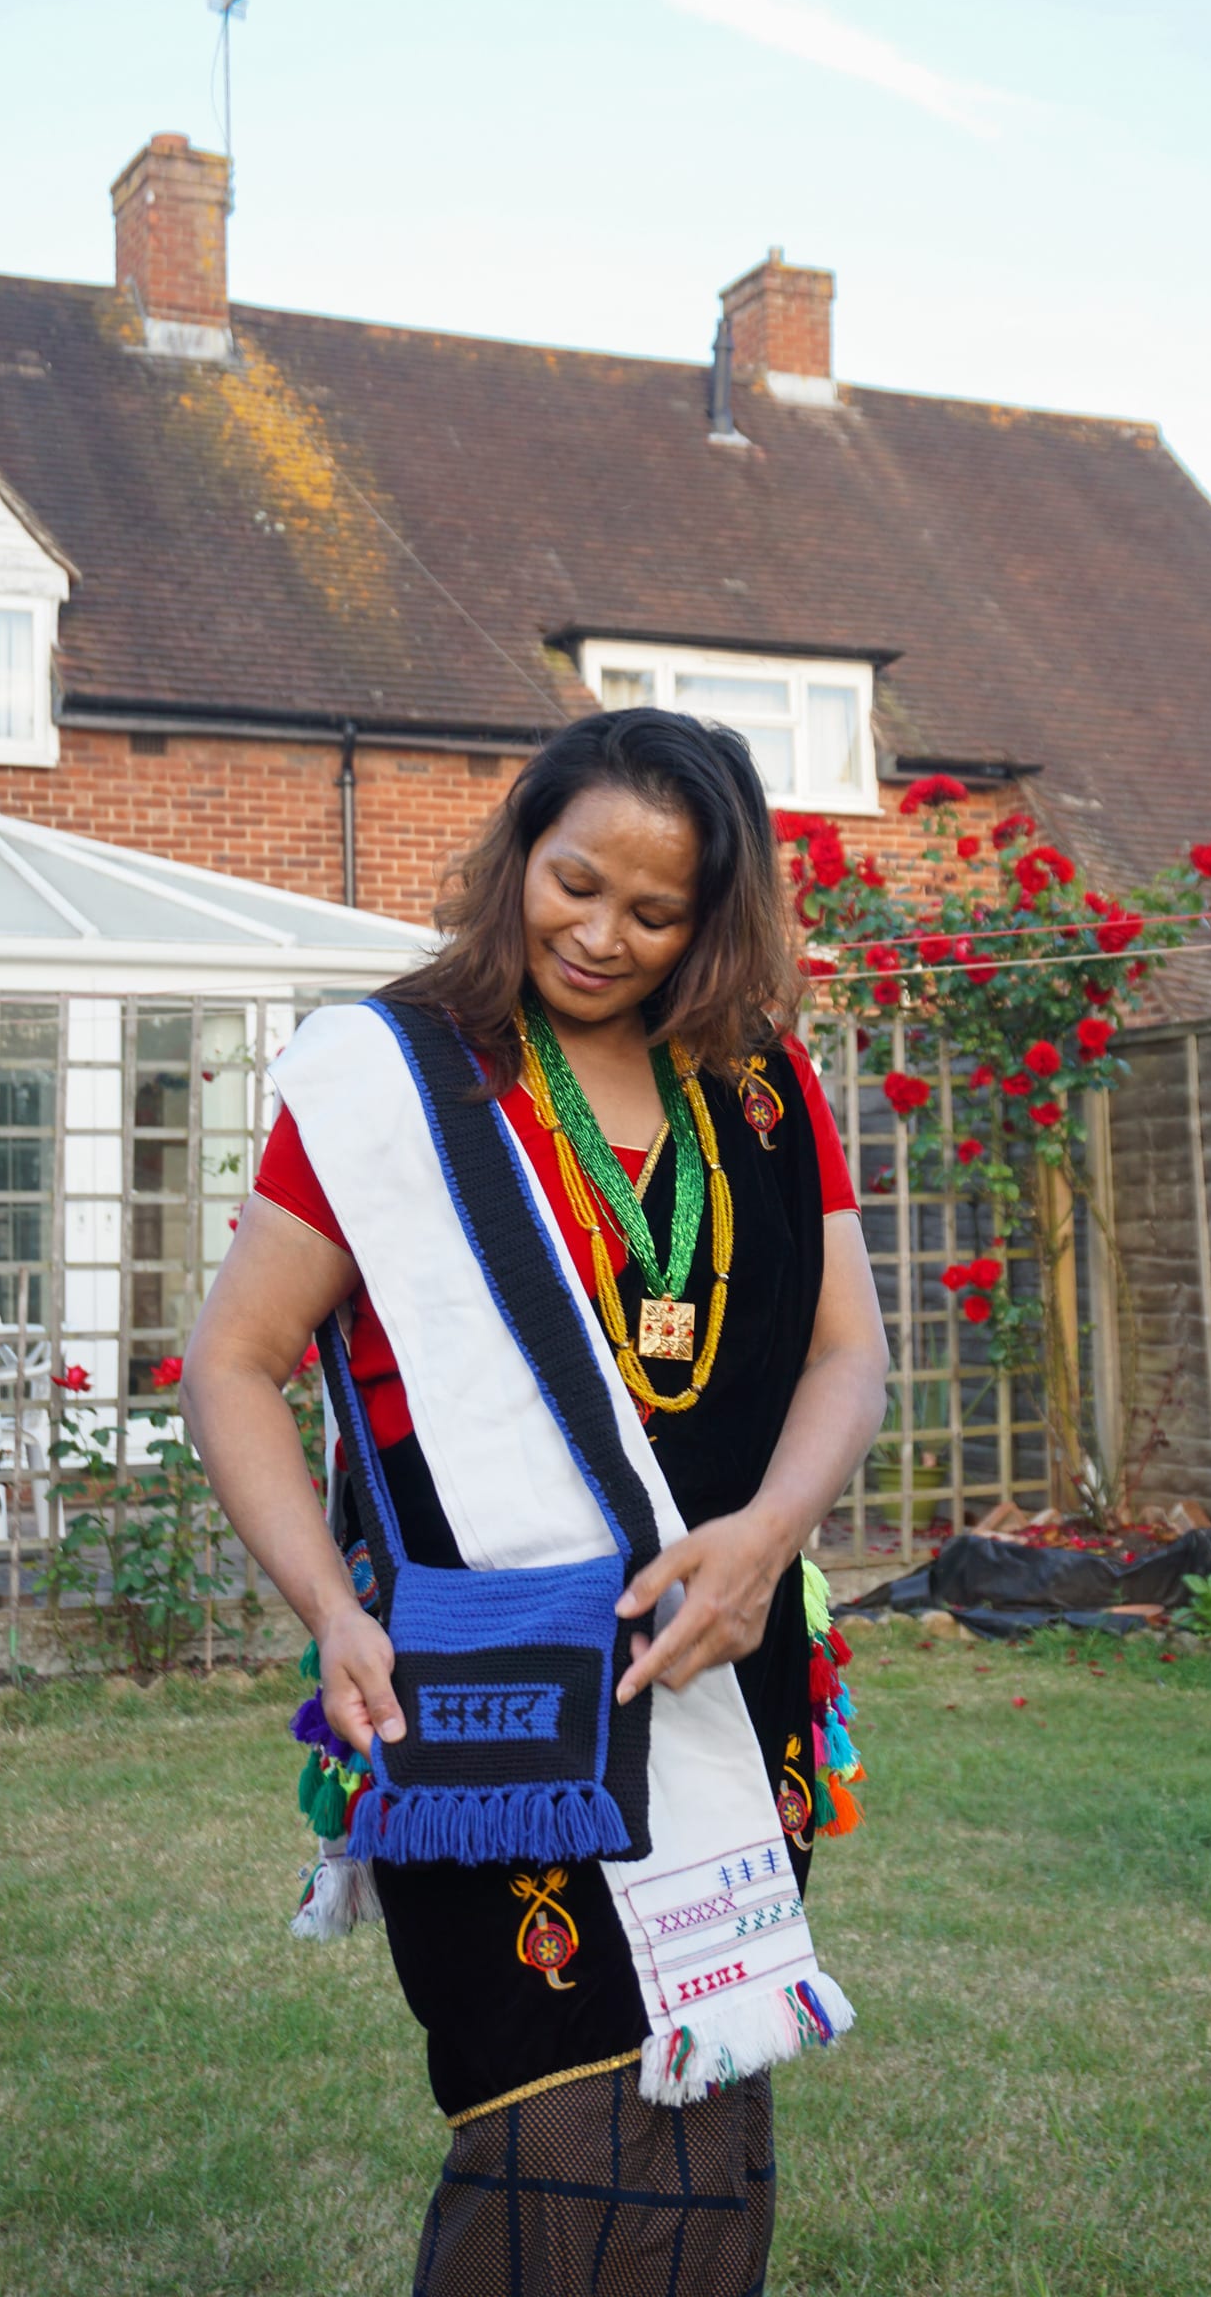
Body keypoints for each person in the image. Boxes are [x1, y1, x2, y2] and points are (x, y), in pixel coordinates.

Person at [182, 708, 889, 2296]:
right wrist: (330, 1608)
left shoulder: (760, 1089)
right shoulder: (390, 1078)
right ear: (519, 854)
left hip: (724, 1667)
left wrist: (770, 1538)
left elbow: (848, 1352)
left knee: (705, 2119)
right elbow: (235, 1363)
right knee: (553, 2128)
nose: (602, 934)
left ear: (715, 918)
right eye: (575, 884)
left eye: (657, 913)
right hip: (487, 1683)